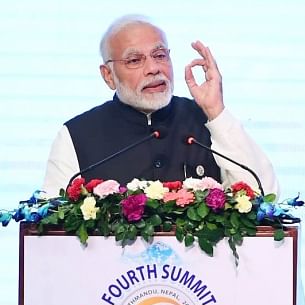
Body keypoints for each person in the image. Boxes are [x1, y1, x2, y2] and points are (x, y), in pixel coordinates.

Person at [42, 14, 279, 198]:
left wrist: (216, 112)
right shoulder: (77, 135)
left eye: (160, 55)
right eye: (135, 60)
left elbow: (264, 195)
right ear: (108, 76)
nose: (154, 68)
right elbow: (50, 230)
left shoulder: (205, 121)